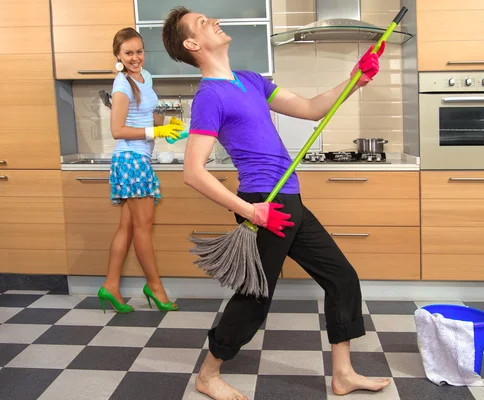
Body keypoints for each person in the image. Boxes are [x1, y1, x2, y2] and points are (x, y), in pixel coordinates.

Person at [162, 8, 389, 399]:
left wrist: (357, 78)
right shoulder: (209, 96)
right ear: (192, 44)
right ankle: (208, 374)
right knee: (255, 296)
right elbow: (193, 172)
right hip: (263, 201)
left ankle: (343, 374)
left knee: (342, 278)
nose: (213, 19)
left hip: (288, 198)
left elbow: (312, 108)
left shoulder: (251, 81)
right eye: (201, 22)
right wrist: (252, 212)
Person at [97, 27, 181, 313]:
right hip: (130, 159)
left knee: (128, 227)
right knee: (143, 228)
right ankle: (155, 288)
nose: (135, 57)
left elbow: (151, 114)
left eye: (139, 51)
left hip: (137, 159)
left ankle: (110, 285)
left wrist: (167, 125)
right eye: (128, 53)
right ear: (118, 56)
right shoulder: (121, 84)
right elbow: (117, 129)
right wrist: (155, 130)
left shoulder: (145, 78)